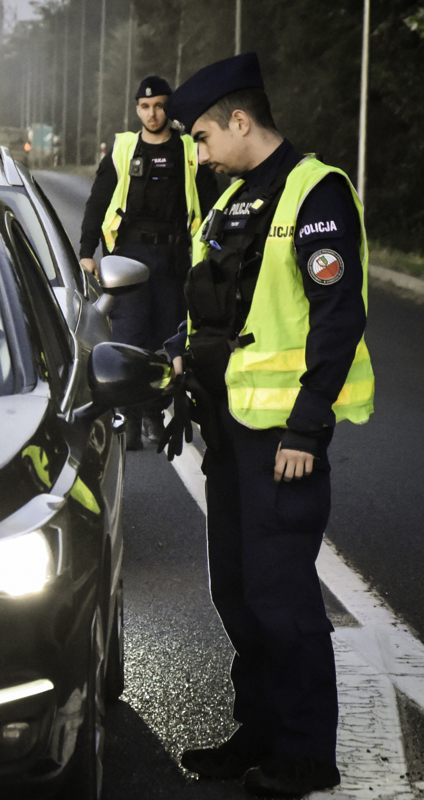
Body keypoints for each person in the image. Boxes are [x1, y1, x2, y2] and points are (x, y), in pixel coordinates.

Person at [162, 53, 373, 797]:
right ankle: (256, 735)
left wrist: (307, 429)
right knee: (240, 595)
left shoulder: (315, 194)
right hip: (227, 430)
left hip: (283, 436)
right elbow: (220, 313)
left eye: (201, 135)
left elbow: (337, 318)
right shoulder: (234, 199)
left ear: (240, 121)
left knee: (283, 601)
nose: (198, 149)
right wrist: (177, 364)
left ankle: (306, 753)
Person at [79, 75, 220, 450]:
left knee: (165, 340)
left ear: (168, 107)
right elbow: (97, 201)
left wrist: (214, 258)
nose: (152, 113)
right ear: (136, 109)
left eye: (159, 105)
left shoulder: (189, 150)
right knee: (129, 338)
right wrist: (86, 252)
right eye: (145, 106)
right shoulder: (125, 149)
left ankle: (156, 414)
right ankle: (130, 418)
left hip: (173, 261)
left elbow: (211, 206)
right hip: (128, 258)